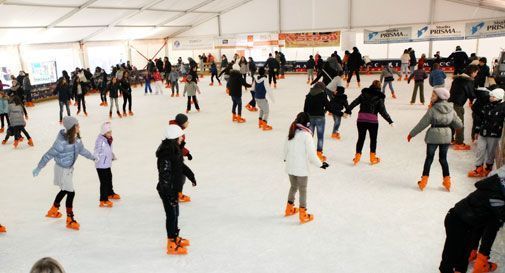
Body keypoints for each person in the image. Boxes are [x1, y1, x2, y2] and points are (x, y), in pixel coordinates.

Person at [33, 116, 96, 230]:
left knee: (65, 190)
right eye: (77, 125)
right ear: (72, 127)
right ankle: (69, 219)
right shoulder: (61, 142)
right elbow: (48, 155)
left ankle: (53, 209)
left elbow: (82, 150)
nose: (79, 127)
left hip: (68, 169)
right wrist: (39, 167)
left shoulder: (76, 139)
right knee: (71, 192)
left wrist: (93, 157)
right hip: (62, 169)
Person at [438, 171, 505, 273]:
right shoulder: (497, 199)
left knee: (462, 258)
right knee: (449, 261)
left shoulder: (496, 185)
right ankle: (479, 261)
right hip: (457, 222)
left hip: (465, 223)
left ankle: (474, 258)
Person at [407, 88, 463, 191]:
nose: (431, 97)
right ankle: (447, 181)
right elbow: (459, 124)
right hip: (446, 136)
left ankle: (423, 181)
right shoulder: (451, 109)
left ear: (439, 97)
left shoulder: (433, 109)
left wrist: (412, 134)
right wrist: (449, 123)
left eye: (433, 96)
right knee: (443, 159)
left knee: (429, 158)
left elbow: (422, 123)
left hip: (433, 136)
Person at [156, 124, 197, 255]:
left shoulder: (175, 150)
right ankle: (171, 243)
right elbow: (165, 178)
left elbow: (181, 166)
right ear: (174, 138)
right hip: (167, 190)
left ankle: (175, 236)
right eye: (180, 137)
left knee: (176, 214)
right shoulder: (166, 155)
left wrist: (191, 176)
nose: (182, 139)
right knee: (171, 215)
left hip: (173, 189)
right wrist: (170, 195)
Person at [283, 112, 328, 224]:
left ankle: (289, 208)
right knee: (303, 190)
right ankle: (303, 213)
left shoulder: (291, 132)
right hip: (301, 168)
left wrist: (285, 159)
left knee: (293, 187)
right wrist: (321, 164)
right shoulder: (306, 135)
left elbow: (285, 149)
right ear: (307, 123)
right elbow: (312, 155)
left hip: (290, 167)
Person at [346, 80, 394, 165]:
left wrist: (348, 110)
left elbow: (355, 102)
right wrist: (389, 120)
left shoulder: (364, 93)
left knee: (361, 138)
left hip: (361, 119)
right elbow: (382, 111)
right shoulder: (380, 97)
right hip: (373, 121)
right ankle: (372, 158)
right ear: (379, 87)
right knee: (373, 139)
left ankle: (357, 157)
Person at [468, 88, 505, 178]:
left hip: (494, 134)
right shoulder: (487, 104)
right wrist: (477, 130)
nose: (490, 98)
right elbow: (480, 118)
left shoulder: (503, 107)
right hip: (483, 132)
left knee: (491, 152)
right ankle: (478, 168)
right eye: (491, 96)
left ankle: (488, 168)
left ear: (499, 98)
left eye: (493, 97)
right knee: (480, 149)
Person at [449, 65, 478, 150]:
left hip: (450, 102)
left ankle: (449, 139)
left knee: (452, 122)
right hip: (458, 104)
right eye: (476, 73)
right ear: (472, 72)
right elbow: (471, 94)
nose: (476, 74)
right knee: (459, 124)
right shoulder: (468, 81)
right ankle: (459, 143)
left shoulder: (458, 79)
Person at [303, 82, 334, 161]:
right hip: (320, 118)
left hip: (310, 118)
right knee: (320, 137)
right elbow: (329, 106)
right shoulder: (322, 95)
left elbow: (305, 109)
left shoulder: (308, 95)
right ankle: (319, 154)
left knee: (309, 137)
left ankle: (307, 153)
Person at [168, 114, 194, 202]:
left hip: (169, 156)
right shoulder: (178, 132)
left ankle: (164, 189)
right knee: (180, 176)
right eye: (187, 122)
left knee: (169, 174)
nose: (188, 123)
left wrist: (187, 153)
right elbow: (178, 147)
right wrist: (187, 153)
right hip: (174, 157)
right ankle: (178, 194)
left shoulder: (173, 128)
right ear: (182, 123)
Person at [94, 122, 120, 208]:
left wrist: (112, 156)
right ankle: (103, 199)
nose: (110, 134)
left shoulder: (109, 139)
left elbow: (108, 150)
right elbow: (97, 150)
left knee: (109, 177)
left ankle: (110, 193)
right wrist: (96, 157)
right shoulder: (100, 141)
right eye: (108, 132)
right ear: (104, 132)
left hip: (106, 163)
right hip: (101, 165)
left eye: (110, 132)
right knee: (104, 182)